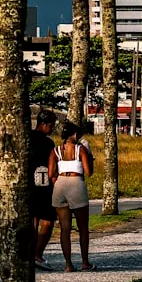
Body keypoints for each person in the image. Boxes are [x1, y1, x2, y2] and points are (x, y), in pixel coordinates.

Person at [49, 121, 95, 272]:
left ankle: (68, 264)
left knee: (64, 228)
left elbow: (51, 174)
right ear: (74, 135)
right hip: (76, 184)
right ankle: (84, 262)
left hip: (60, 185)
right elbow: (88, 172)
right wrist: (89, 156)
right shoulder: (80, 149)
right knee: (83, 228)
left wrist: (59, 181)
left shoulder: (55, 151)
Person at [30, 110, 58, 270]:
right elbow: (51, 167)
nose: (53, 128)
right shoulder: (48, 143)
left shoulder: (28, 138)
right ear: (43, 124)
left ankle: (32, 253)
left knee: (33, 221)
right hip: (44, 185)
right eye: (51, 125)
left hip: (30, 186)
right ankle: (37, 253)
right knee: (47, 222)